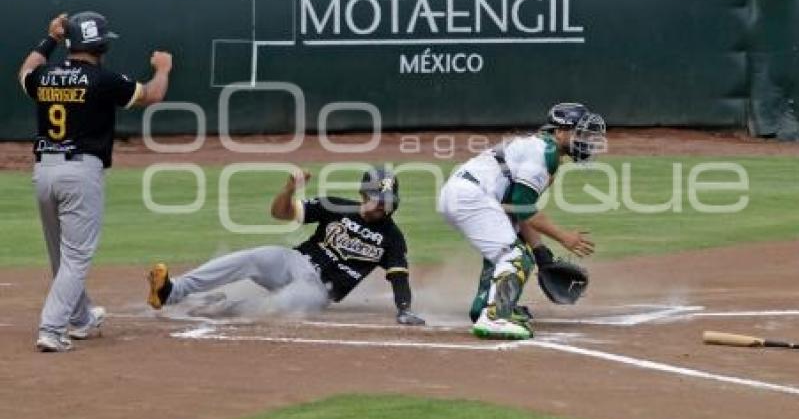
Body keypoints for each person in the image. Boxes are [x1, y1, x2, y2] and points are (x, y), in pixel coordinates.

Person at [19, 11, 173, 352]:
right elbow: (152, 95)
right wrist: (163, 68)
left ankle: (82, 319)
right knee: (75, 257)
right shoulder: (103, 80)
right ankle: (51, 329)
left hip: (44, 171)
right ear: (101, 44)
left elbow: (25, 71)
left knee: (61, 255)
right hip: (80, 172)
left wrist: (50, 39)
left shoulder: (46, 74)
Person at [147, 167, 426, 326]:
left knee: (278, 306)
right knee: (252, 257)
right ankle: (172, 291)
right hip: (294, 261)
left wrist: (404, 309)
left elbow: (399, 278)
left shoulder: (392, 237)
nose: (382, 204)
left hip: (318, 290)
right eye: (378, 197)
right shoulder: (337, 206)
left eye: (387, 200)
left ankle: (222, 307)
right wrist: (289, 190)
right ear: (364, 194)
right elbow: (280, 214)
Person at [438, 103, 606, 340]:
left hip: (463, 194)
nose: (586, 141)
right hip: (471, 197)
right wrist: (564, 237)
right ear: (559, 132)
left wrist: (541, 253)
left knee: (511, 243)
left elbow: (517, 211)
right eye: (579, 133)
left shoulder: (539, 148)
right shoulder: (544, 154)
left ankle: (485, 306)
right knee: (514, 256)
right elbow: (524, 207)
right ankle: (494, 319)